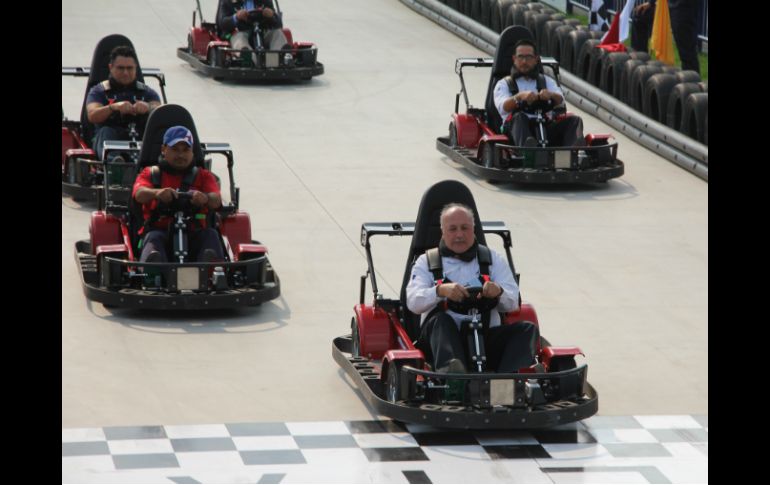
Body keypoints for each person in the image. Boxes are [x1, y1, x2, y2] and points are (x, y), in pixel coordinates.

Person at [406, 203, 539, 373]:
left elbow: (513, 303)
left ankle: (509, 381)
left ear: (473, 229)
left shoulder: (492, 259)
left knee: (527, 328)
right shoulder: (426, 262)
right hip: (441, 342)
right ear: (443, 231)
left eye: (465, 228)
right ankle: (453, 379)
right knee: (442, 321)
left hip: (485, 338)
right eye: (452, 229)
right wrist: (440, 291)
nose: (459, 234)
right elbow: (413, 302)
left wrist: (499, 292)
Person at [132, 126, 224, 264]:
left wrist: (205, 198)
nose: (181, 155)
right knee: (154, 239)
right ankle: (152, 275)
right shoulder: (151, 173)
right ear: (164, 149)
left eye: (185, 150)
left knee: (210, 235)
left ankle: (212, 272)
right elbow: (139, 194)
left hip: (194, 234)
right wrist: (157, 193)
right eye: (175, 149)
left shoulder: (203, 176)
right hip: (161, 232)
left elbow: (216, 200)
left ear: (192, 152)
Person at [492, 39, 584, 148]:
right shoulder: (504, 84)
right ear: (514, 59)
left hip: (545, 127)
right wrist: (519, 97)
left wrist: (551, 95)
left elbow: (561, 101)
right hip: (516, 132)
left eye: (529, 57)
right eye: (520, 57)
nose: (524, 61)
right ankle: (529, 152)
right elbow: (503, 107)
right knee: (519, 117)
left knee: (574, 120)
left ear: (536, 59)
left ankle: (572, 152)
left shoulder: (546, 81)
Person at [85, 45, 162, 160]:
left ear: (136, 68)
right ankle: (115, 165)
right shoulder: (99, 91)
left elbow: (161, 110)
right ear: (111, 67)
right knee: (105, 131)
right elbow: (92, 115)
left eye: (129, 68)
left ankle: (158, 163)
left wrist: (148, 107)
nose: (125, 73)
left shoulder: (146, 92)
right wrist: (113, 107)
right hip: (111, 139)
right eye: (121, 68)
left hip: (141, 138)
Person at [217, 0, 290, 54]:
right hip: (240, 32)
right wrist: (236, 17)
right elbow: (222, 24)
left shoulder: (265, 1)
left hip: (262, 33)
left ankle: (277, 59)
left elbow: (279, 25)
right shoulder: (228, 2)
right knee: (240, 38)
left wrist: (271, 16)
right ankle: (248, 59)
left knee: (277, 33)